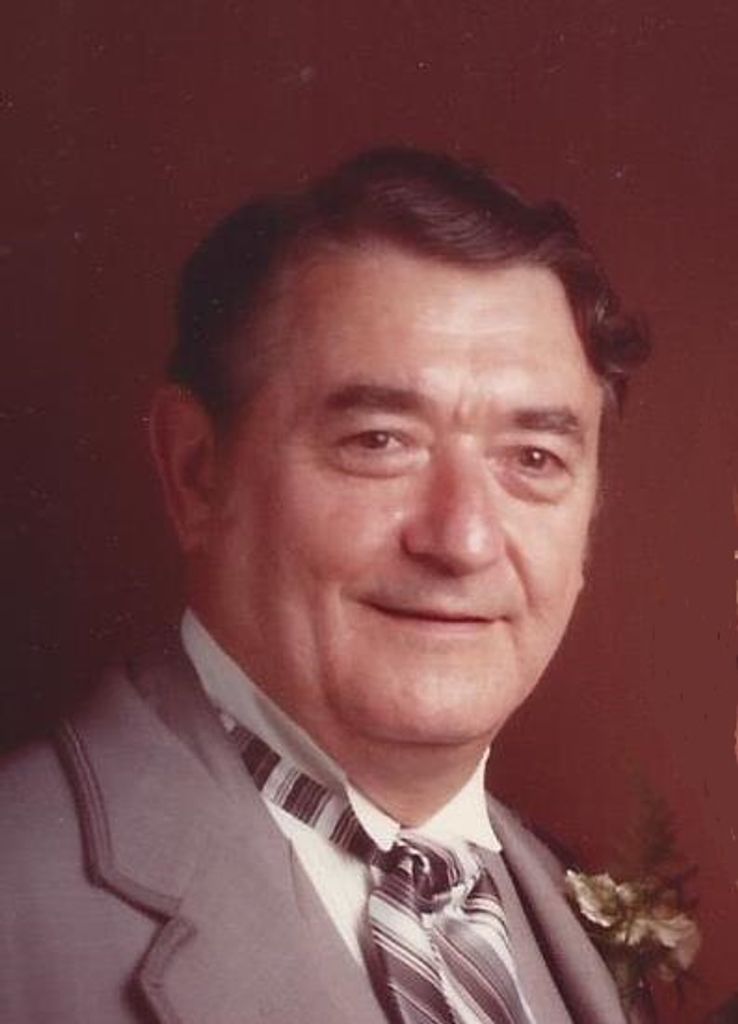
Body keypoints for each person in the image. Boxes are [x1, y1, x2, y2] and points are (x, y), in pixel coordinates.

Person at [0, 147, 649, 1023]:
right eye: (379, 442)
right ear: (196, 473)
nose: (462, 540)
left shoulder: (553, 907)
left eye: (533, 459)